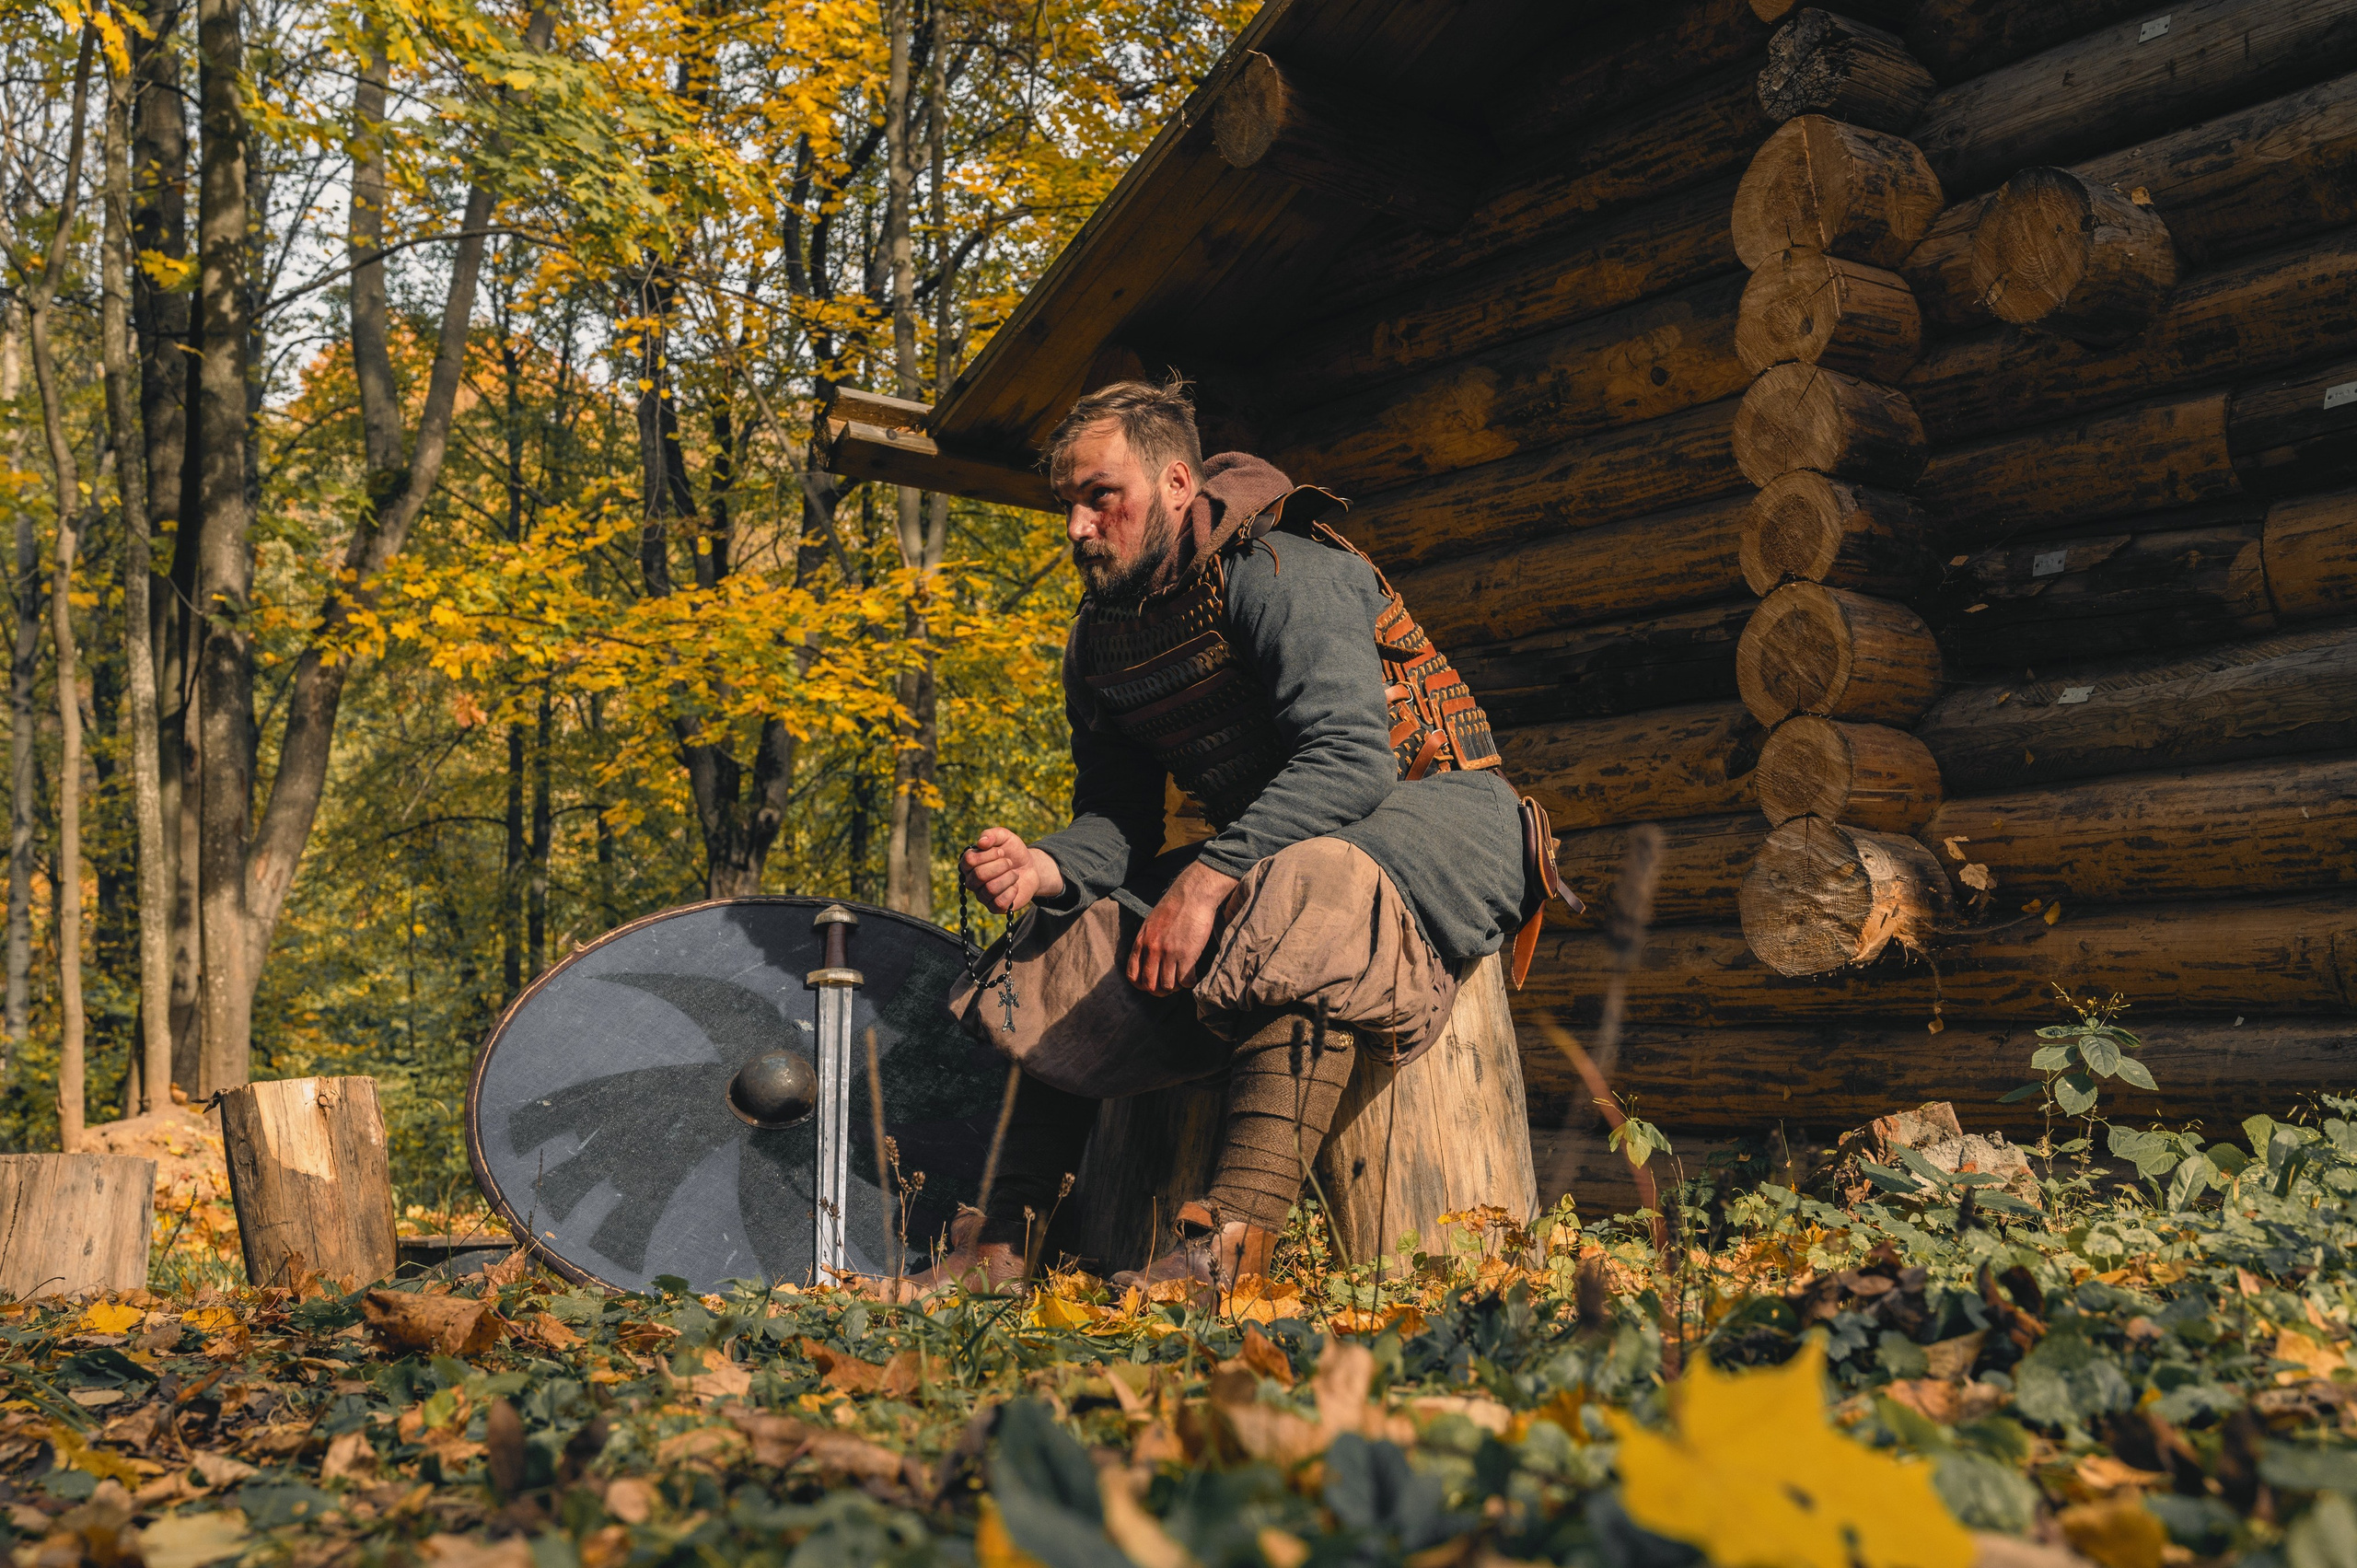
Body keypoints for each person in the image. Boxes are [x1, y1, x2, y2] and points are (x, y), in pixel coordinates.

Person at [917, 376, 1547, 1295]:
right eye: (1068, 504)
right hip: (1285, 846)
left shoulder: (1282, 566)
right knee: (1065, 927)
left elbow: (1347, 758)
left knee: (1308, 888)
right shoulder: (1101, 641)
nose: (1077, 528)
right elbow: (1118, 823)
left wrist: (1208, 879)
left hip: (1447, 815)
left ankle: (1227, 1251)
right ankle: (1002, 1249)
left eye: (1103, 497)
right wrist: (1048, 862)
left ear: (1177, 485)